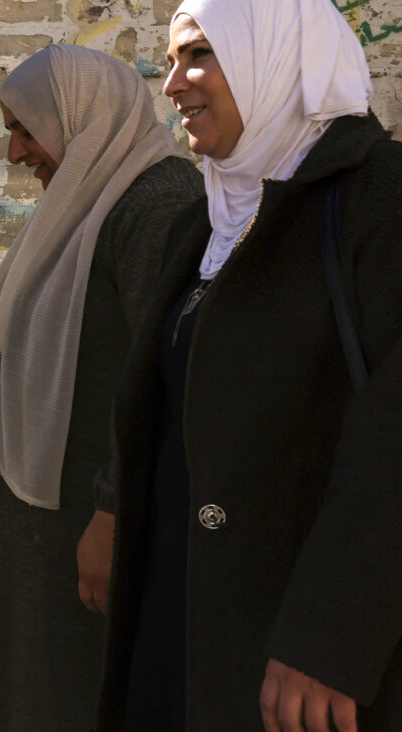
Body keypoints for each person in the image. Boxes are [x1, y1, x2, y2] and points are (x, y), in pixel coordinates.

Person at [84, 0, 402, 729]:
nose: (173, 83)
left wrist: (332, 637)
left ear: (277, 55)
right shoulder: (201, 223)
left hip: (301, 657)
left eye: (198, 55)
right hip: (181, 625)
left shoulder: (380, 200)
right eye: (169, 62)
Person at [0, 44, 203, 729]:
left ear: (83, 120)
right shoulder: (83, 201)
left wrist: (115, 513)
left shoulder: (159, 205)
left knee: (67, 696)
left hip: (83, 529)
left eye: (26, 130)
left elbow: (170, 376)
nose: (14, 154)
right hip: (29, 527)